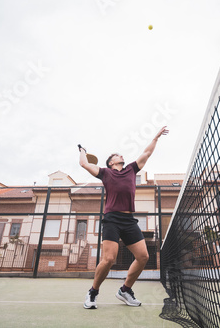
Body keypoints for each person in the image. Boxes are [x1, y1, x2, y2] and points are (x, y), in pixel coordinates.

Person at [79, 126, 169, 309]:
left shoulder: (131, 169)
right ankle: (93, 292)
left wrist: (156, 137)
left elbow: (147, 153)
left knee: (143, 256)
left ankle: (125, 290)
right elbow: (84, 164)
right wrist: (82, 151)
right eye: (117, 155)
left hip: (129, 220)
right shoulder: (105, 173)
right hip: (112, 219)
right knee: (109, 259)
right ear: (111, 162)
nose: (121, 156)